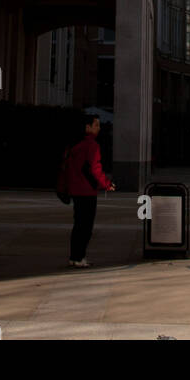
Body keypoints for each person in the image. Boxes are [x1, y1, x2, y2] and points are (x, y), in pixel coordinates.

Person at [65, 112, 115, 267]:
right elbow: (95, 169)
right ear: (88, 127)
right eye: (96, 125)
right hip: (87, 191)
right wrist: (107, 184)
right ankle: (80, 258)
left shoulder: (75, 145)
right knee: (86, 227)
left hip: (76, 190)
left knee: (78, 224)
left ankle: (75, 257)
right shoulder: (92, 146)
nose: (99, 128)